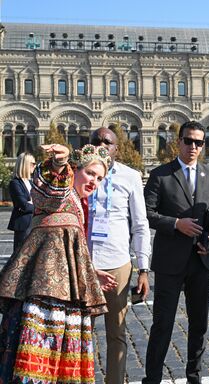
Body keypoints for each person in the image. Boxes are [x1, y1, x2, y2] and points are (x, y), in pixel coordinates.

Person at [0, 143, 111, 383]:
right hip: (43, 289)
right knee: (41, 350)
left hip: (66, 292)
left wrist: (92, 272)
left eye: (100, 178)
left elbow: (72, 250)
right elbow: (48, 189)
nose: (94, 181)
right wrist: (59, 163)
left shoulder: (78, 205)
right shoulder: (63, 192)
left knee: (59, 352)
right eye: (90, 173)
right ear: (76, 169)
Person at [142, 120, 209, 384]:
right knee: (163, 324)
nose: (193, 146)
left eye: (199, 142)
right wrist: (176, 224)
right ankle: (152, 378)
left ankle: (194, 377)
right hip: (169, 262)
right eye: (189, 141)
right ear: (178, 141)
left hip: (201, 260)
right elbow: (146, 214)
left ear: (203, 146)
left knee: (199, 325)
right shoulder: (161, 175)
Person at [88, 127, 151, 384]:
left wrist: (143, 269)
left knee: (116, 334)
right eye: (96, 141)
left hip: (118, 267)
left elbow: (140, 224)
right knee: (80, 334)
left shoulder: (130, 176)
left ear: (117, 148)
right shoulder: (78, 174)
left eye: (108, 142)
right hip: (85, 267)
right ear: (89, 145)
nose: (102, 145)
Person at [7, 152, 36, 251]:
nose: (34, 166)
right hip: (24, 226)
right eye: (33, 163)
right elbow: (23, 204)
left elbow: (37, 199)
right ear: (25, 164)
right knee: (20, 257)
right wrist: (38, 206)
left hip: (35, 224)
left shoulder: (31, 182)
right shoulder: (15, 183)